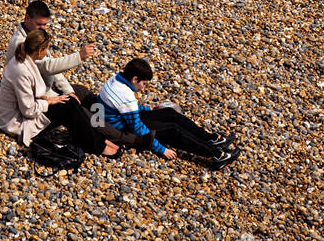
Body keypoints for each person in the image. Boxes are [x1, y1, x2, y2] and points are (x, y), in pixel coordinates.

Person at [0, 29, 118, 158]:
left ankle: (96, 138)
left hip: (27, 109)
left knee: (73, 98)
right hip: (16, 122)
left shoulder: (25, 59)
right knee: (69, 105)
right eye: (47, 49)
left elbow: (33, 91)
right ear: (39, 51)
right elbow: (28, 111)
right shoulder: (21, 70)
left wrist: (59, 95)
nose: (48, 53)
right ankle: (97, 145)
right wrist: (48, 101)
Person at [98, 58, 239, 168]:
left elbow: (126, 108)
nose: (144, 87)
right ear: (135, 79)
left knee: (169, 113)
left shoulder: (115, 79)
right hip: (123, 127)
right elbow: (138, 128)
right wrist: (161, 149)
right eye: (144, 84)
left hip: (121, 118)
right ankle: (216, 155)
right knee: (173, 130)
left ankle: (210, 139)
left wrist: (148, 110)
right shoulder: (125, 95)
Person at [6, 0, 95, 96]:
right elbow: (47, 66)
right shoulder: (20, 43)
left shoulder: (37, 35)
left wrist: (68, 90)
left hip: (47, 86)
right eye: (39, 24)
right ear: (27, 18)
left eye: (45, 24)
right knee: (74, 107)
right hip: (35, 96)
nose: (43, 28)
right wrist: (79, 56)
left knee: (85, 94)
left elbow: (52, 67)